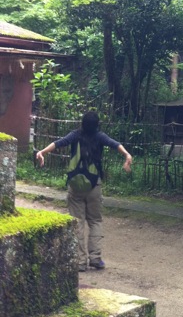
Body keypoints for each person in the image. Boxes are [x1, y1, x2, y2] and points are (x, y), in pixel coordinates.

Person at [36, 111, 133, 271]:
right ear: (97, 125)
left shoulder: (75, 135)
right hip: (94, 184)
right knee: (95, 221)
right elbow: (115, 144)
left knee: (77, 222)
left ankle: (80, 261)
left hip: (75, 185)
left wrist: (42, 152)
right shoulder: (100, 136)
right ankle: (95, 258)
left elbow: (59, 143)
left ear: (82, 123)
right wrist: (127, 155)